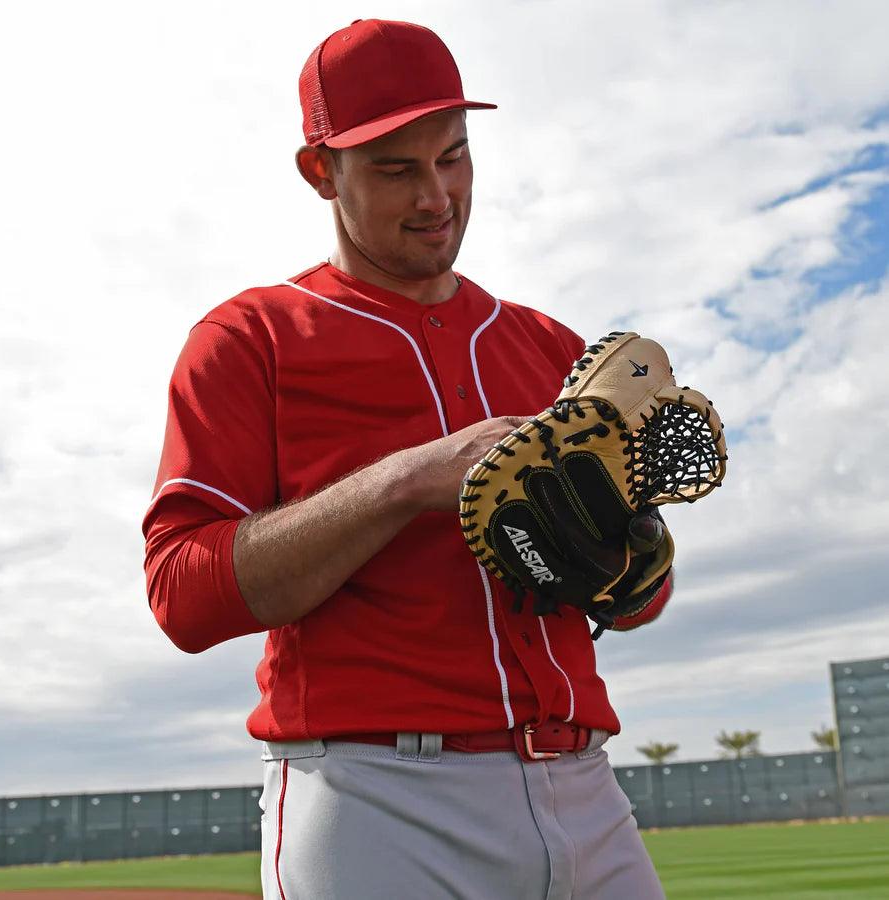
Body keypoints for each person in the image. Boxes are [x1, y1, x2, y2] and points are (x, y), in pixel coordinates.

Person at [143, 18, 671, 900]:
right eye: (396, 169)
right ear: (322, 171)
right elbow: (181, 595)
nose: (436, 195)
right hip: (377, 799)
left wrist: (632, 564)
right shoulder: (249, 338)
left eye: (453, 157)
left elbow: (639, 602)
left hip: (584, 785)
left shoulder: (552, 348)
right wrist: (406, 480)